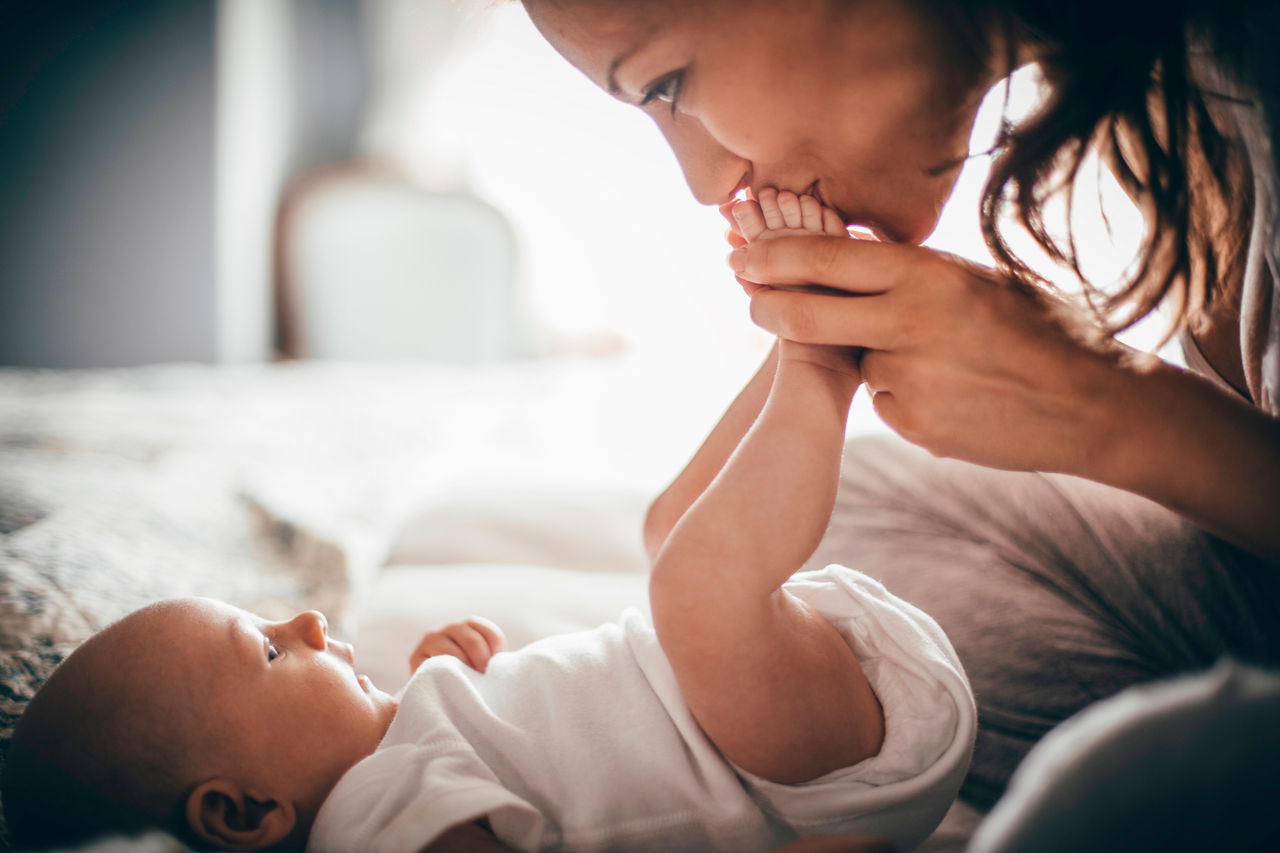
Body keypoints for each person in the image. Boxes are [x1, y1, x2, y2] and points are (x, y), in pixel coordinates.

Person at [3, 198, 975, 853]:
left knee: (667, 534)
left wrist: (444, 678)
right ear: (244, 811)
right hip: (778, 763)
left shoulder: (394, 760)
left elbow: (517, 757)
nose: (301, 623)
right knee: (693, 587)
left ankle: (791, 349)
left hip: (752, 699)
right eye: (263, 652)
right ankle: (817, 362)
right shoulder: (375, 821)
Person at [520, 0, 1280, 815]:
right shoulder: (1181, 80)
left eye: (667, 81)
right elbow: (682, 537)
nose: (708, 181)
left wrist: (1108, 405)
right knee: (749, 530)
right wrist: (815, 359)